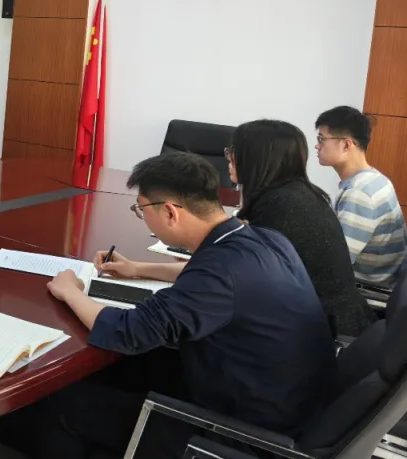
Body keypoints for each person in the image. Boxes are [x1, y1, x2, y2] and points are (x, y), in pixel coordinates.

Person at [20, 152, 334, 459]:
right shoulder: (265, 239)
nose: (143, 218)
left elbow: (126, 332)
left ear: (171, 212)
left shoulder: (218, 274)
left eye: (141, 210)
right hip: (288, 410)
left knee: (63, 403)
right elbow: (208, 273)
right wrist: (138, 268)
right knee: (123, 372)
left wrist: (71, 291)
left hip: (238, 434)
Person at [227, 120, 374, 337]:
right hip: (332, 320)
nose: (229, 157)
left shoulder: (280, 205)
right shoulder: (298, 193)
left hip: (319, 331)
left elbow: (241, 278)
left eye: (235, 151)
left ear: (256, 158)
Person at [316, 105, 406, 286]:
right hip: (382, 283)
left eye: (322, 139)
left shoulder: (360, 193)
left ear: (347, 144)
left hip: (369, 291)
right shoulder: (376, 179)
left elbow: (335, 263)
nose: (317, 146)